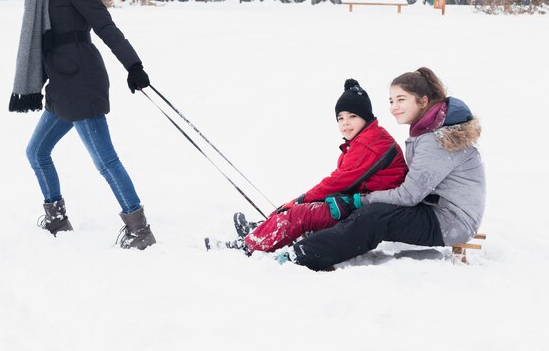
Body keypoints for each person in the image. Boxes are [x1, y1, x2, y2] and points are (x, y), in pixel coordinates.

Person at [9, 0, 155, 250]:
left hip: (81, 80)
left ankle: (139, 230)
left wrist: (133, 65)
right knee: (37, 151)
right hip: (59, 83)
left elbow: (105, 25)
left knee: (105, 160)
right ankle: (57, 219)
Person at [281, 67, 486, 270]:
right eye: (391, 100)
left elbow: (408, 196)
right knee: (367, 207)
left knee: (373, 217)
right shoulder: (428, 132)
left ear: (423, 101)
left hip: (451, 222)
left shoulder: (435, 140)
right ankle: (304, 234)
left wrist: (360, 200)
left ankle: (302, 255)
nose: (394, 107)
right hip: (437, 209)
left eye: (401, 99)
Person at [206, 79, 408, 255]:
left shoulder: (368, 144)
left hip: (372, 210)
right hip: (363, 202)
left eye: (352, 116)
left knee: (301, 213)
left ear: (366, 117)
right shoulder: (367, 139)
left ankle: (249, 246)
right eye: (340, 118)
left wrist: (297, 201)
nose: (345, 123)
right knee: (306, 208)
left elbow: (337, 182)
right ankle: (263, 230)